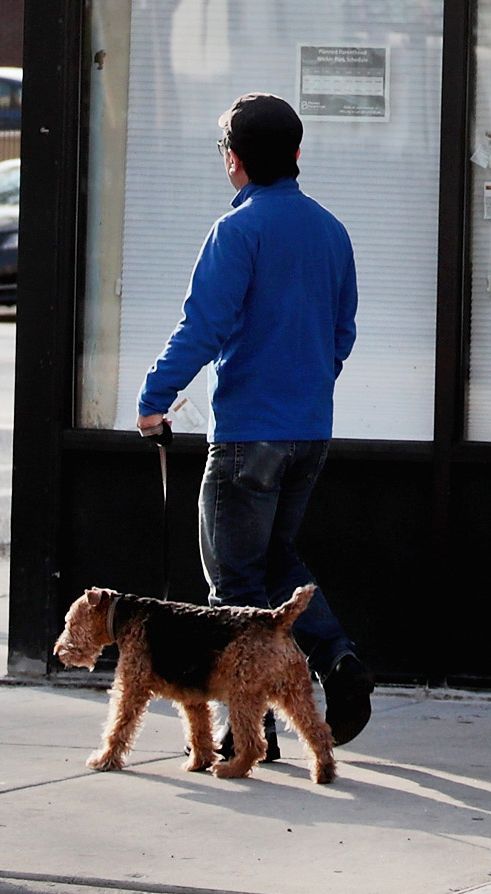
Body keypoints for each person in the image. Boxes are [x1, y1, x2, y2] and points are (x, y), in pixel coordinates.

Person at [138, 93, 375, 744]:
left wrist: (155, 397)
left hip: (248, 434)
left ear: (235, 161)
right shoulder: (330, 231)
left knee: (234, 583)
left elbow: (204, 327)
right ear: (296, 155)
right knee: (274, 561)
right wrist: (309, 382)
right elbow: (342, 331)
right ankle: (338, 660)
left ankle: (246, 733)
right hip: (308, 431)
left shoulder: (237, 232)